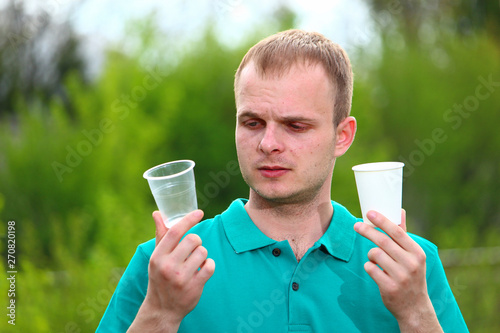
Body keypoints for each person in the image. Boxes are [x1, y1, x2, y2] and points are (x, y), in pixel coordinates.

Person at [97, 29, 468, 332]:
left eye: (295, 125)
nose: (268, 144)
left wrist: (416, 314)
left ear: (343, 136)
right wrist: (160, 315)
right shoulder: (163, 265)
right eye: (252, 122)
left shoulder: (410, 266)